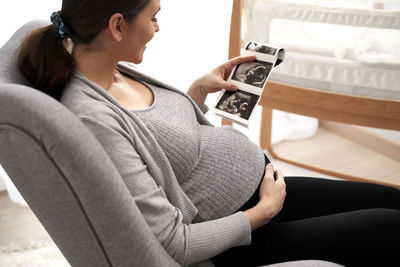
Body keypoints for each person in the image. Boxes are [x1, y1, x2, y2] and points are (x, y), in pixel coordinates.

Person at [17, 0, 400, 266]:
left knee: (393, 200)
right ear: (117, 25)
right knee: (387, 227)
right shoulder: (93, 119)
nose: (157, 28)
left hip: (264, 194)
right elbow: (173, 241)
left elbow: (158, 145)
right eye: (153, 18)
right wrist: (261, 213)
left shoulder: (113, 68)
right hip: (247, 237)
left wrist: (197, 93)